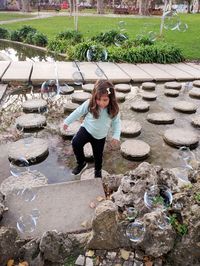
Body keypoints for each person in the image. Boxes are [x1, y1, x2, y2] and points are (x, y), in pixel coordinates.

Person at [63, 79, 121, 178]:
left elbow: (117, 123)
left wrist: (116, 136)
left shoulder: (114, 109)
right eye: (98, 99)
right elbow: (78, 112)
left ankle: (97, 171)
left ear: (111, 98)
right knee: (76, 143)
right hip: (86, 129)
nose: (101, 103)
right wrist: (67, 121)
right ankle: (81, 163)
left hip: (100, 136)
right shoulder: (90, 103)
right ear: (94, 96)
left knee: (98, 156)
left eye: (105, 100)